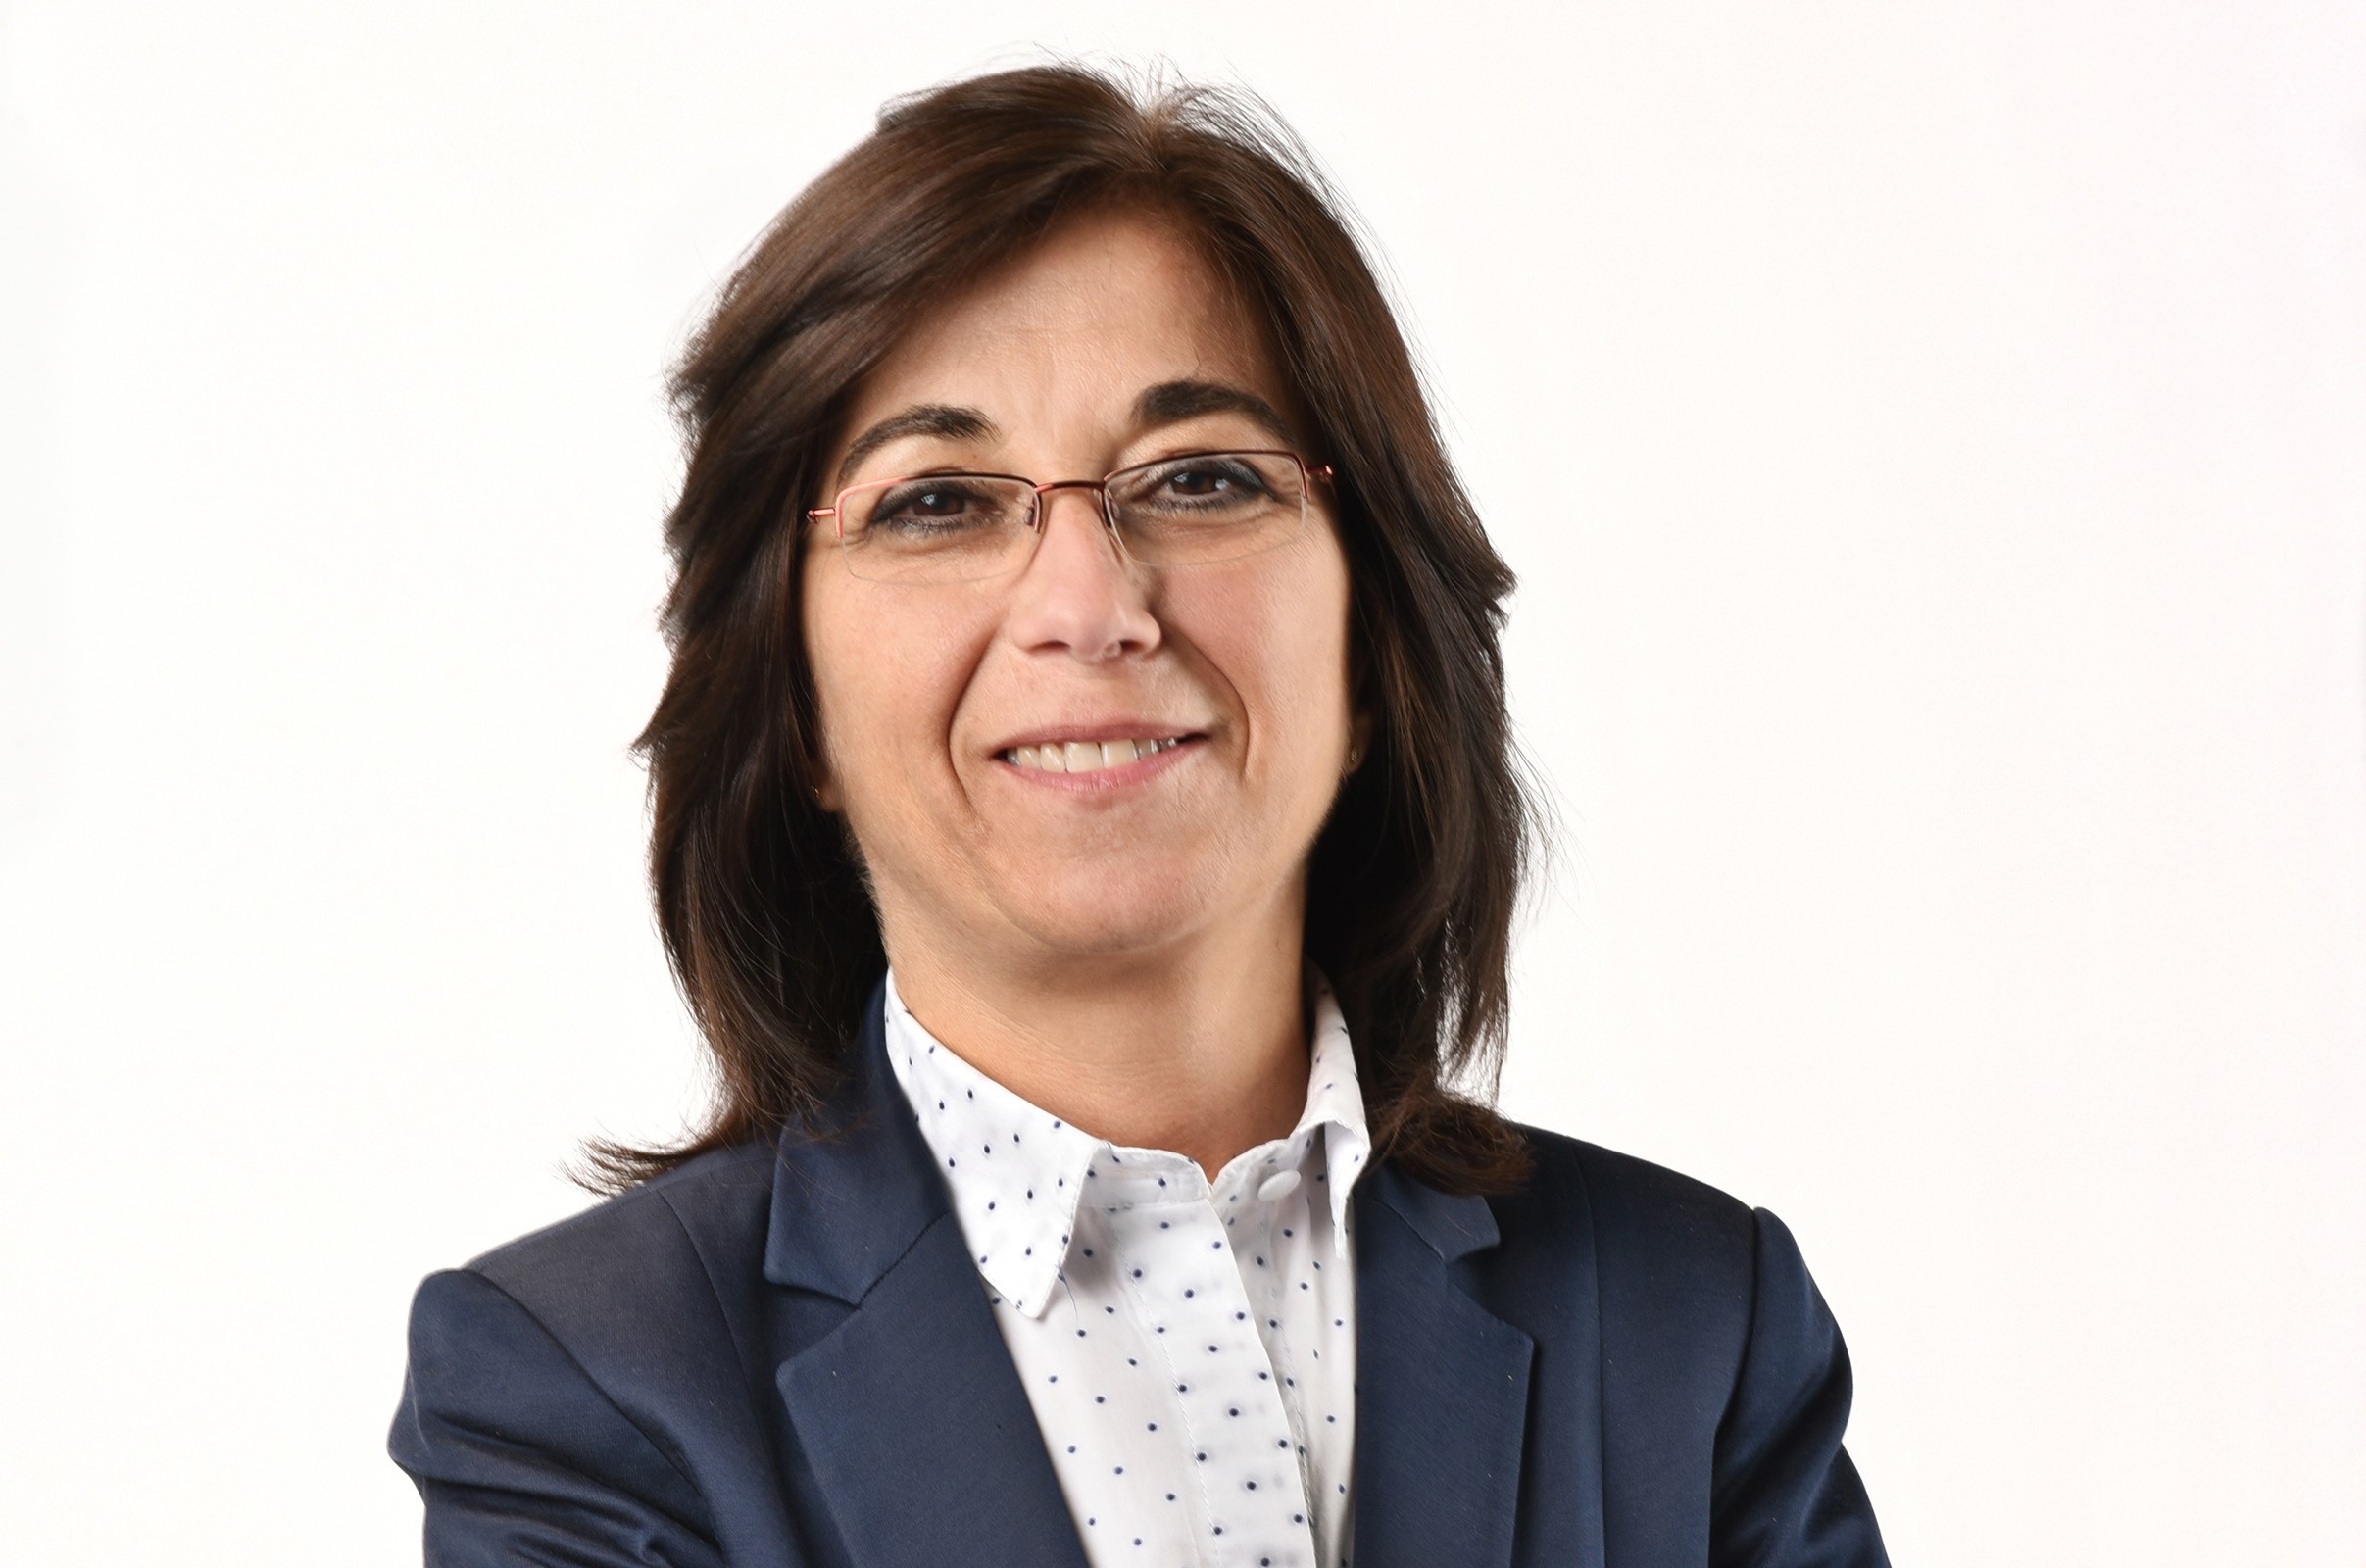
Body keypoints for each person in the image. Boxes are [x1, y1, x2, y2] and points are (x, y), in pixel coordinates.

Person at [388, 63, 1890, 1568]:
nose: (1089, 606)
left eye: (1200, 479)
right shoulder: (587, 1388)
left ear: (1373, 649)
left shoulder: (1695, 1329)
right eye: (935, 500)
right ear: (790, 700)